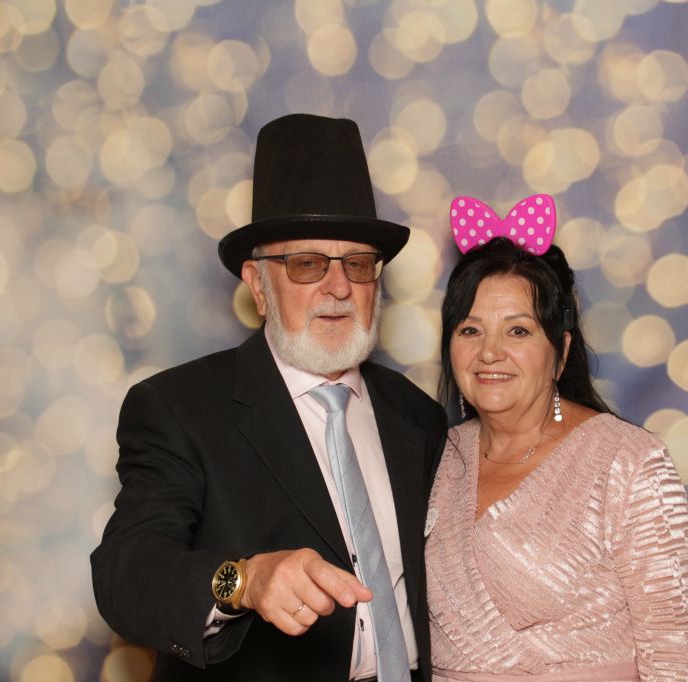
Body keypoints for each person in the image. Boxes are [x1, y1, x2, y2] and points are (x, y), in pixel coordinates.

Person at [91, 114, 448, 682]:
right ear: (258, 285)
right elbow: (126, 574)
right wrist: (246, 581)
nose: (338, 287)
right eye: (307, 264)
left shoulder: (418, 416)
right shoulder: (179, 409)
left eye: (357, 264)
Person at [424, 194, 688, 681]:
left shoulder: (629, 462)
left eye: (518, 331)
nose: (490, 352)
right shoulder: (434, 457)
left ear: (561, 349)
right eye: (470, 330)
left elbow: (673, 663)